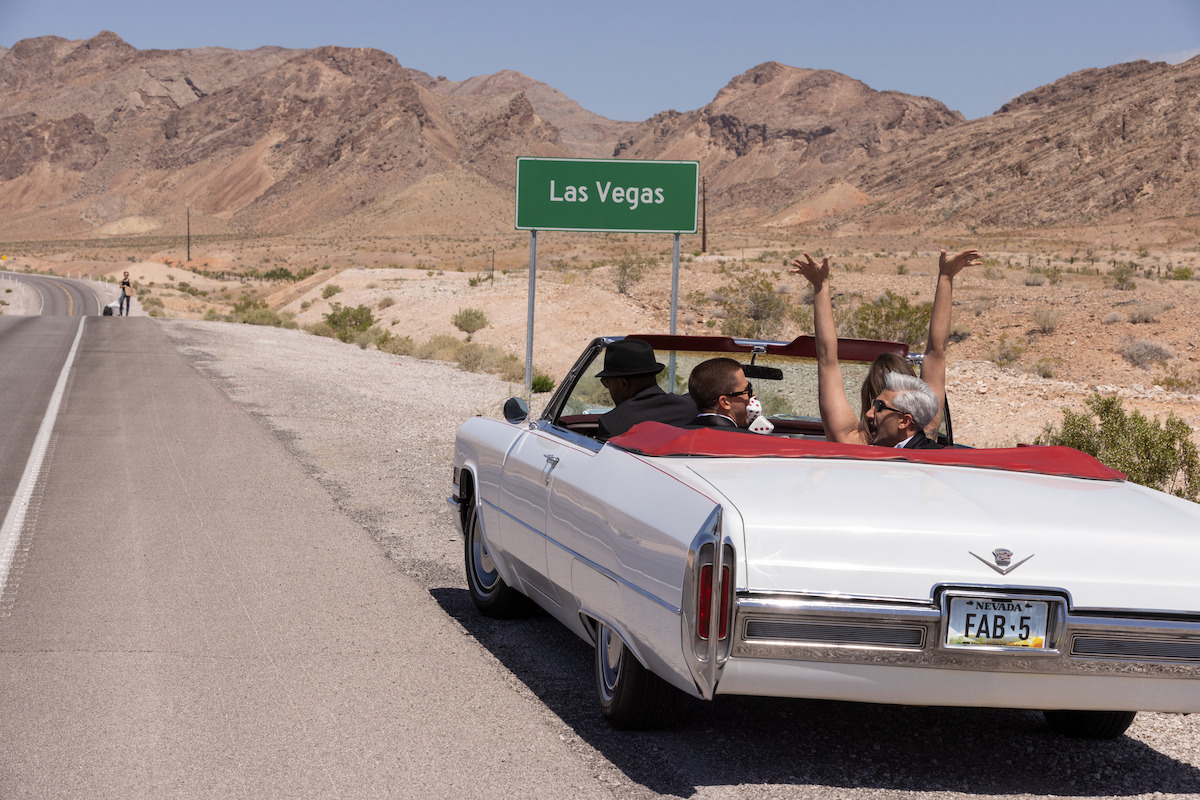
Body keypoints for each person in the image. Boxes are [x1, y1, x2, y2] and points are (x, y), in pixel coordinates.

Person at [790, 248, 980, 446]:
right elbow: (936, 352)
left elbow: (827, 359)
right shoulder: (925, 430)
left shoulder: (850, 441)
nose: (871, 412)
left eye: (877, 405)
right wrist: (946, 277)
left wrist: (821, 285)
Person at [595, 339, 697, 440]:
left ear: (624, 383)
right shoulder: (693, 407)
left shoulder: (612, 423)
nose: (608, 389)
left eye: (607, 382)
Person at [867, 372, 944, 448]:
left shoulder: (921, 458)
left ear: (904, 421)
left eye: (879, 407)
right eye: (874, 403)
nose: (869, 414)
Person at [687, 357, 753, 429]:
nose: (752, 395)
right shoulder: (751, 439)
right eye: (747, 390)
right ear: (725, 402)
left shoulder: (675, 435)